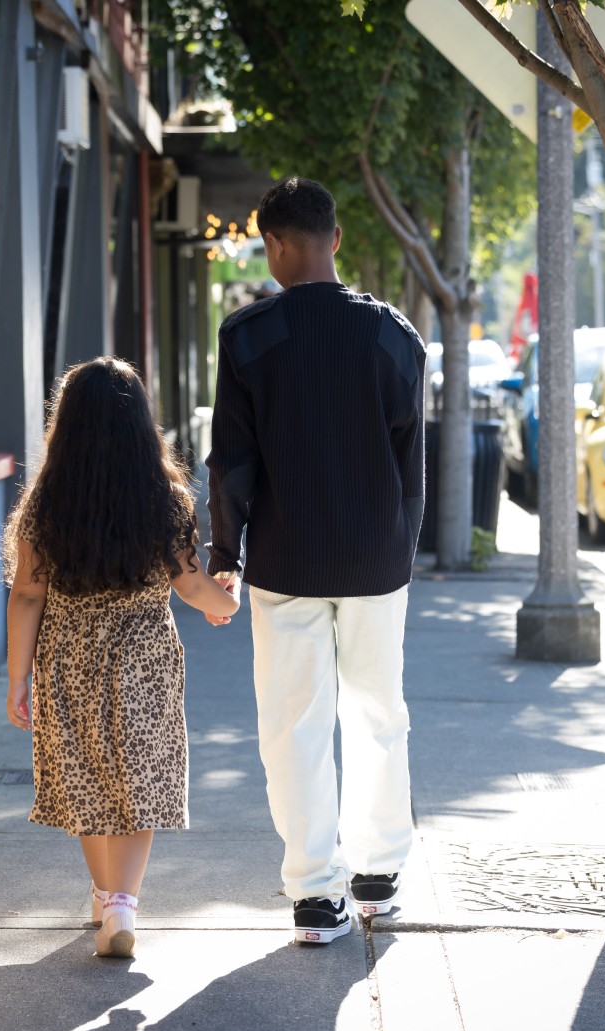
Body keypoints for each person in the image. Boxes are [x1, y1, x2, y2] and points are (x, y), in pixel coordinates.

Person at [205, 177, 425, 945]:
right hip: (373, 558)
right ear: (335, 238)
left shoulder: (246, 336)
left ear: (273, 245)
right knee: (378, 714)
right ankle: (379, 872)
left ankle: (313, 894)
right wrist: (402, 549)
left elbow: (230, 462)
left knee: (293, 725)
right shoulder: (395, 336)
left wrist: (222, 553)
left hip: (283, 561)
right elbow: (410, 466)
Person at [2, 357, 241, 958]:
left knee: (84, 774)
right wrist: (227, 603)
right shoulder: (165, 498)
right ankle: (123, 905)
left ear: (67, 425)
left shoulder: (44, 505)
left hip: (68, 655)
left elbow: (28, 593)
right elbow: (190, 585)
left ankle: (105, 896)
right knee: (140, 775)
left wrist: (17, 675)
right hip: (143, 656)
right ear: (141, 425)